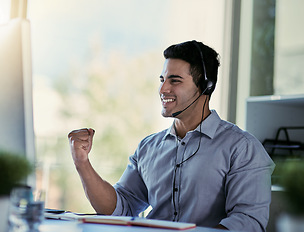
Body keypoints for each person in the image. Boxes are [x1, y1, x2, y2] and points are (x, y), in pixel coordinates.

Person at [68, 40, 275, 231]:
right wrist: (82, 163)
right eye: (162, 79)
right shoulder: (148, 147)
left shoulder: (242, 148)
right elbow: (120, 208)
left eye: (174, 81)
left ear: (205, 86)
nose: (162, 88)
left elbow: (248, 222)